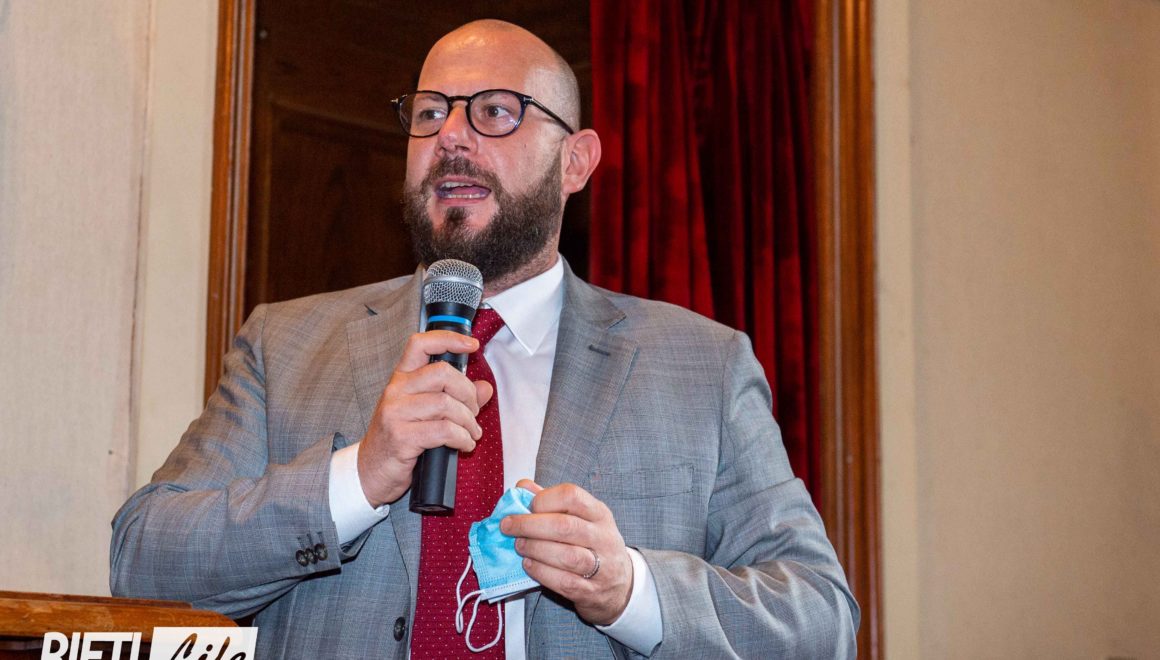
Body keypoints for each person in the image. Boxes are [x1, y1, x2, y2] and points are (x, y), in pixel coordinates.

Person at [110, 19, 858, 659]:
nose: (450, 138)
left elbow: (820, 618)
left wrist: (630, 589)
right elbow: (142, 561)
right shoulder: (284, 345)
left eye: (496, 111)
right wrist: (356, 479)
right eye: (429, 112)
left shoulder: (702, 366)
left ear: (575, 162)